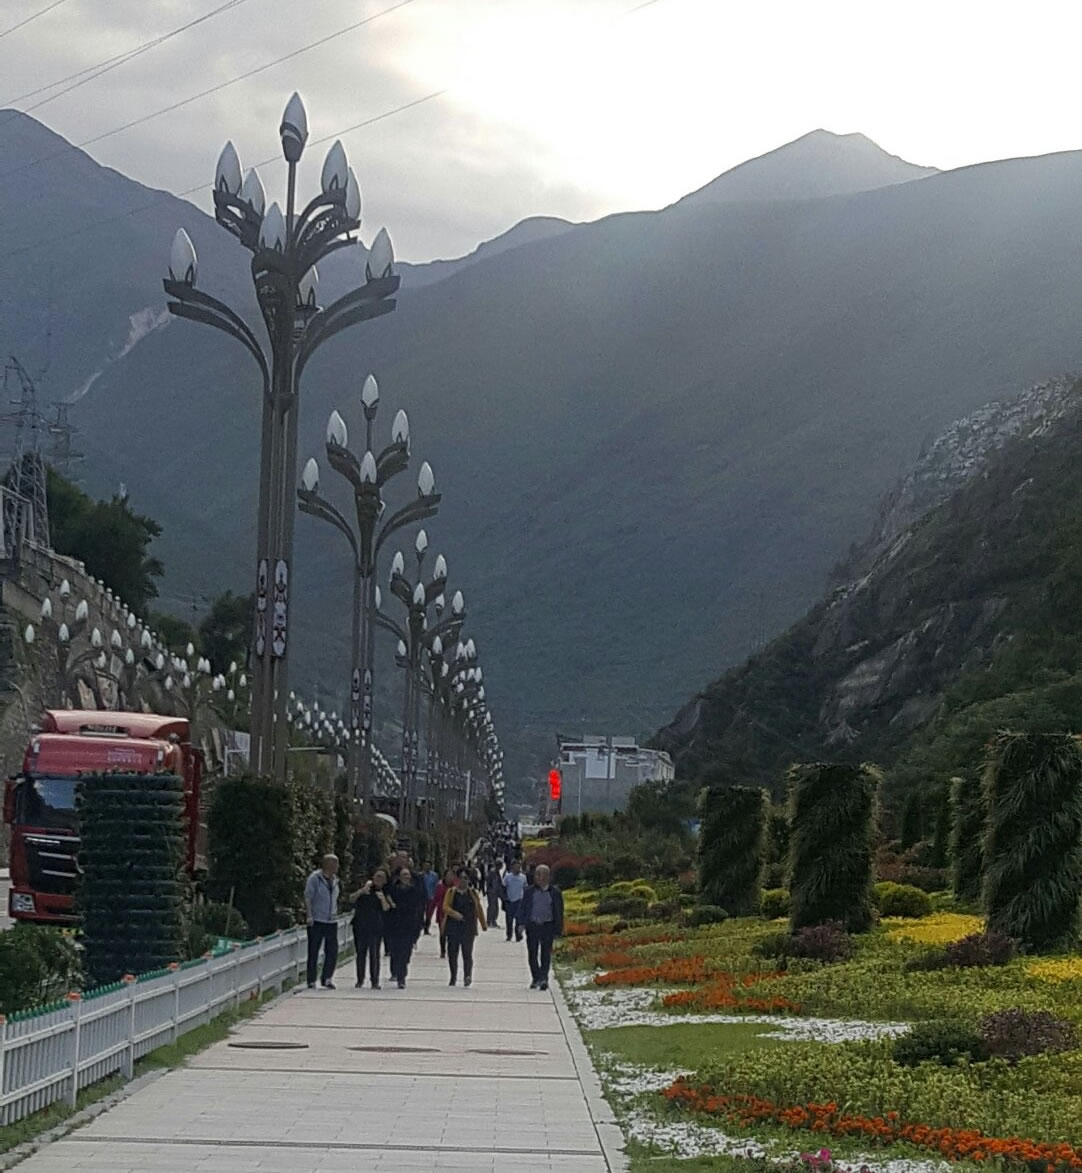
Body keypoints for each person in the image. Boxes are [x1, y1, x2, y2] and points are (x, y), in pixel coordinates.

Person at [521, 863, 564, 991]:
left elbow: (559, 911)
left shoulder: (555, 892)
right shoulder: (529, 891)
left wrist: (559, 928)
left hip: (547, 926)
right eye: (537, 874)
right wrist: (521, 923)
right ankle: (536, 978)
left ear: (548, 877)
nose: (539, 877)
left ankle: (544, 978)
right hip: (533, 926)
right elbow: (523, 908)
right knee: (532, 953)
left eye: (543, 875)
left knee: (546, 954)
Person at [442, 867, 487, 986]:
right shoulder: (451, 892)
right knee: (452, 953)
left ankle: (467, 976)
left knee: (467, 953)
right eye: (460, 878)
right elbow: (445, 907)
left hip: (468, 927)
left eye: (465, 878)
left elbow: (478, 908)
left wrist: (483, 924)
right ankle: (453, 976)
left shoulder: (472, 893)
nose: (463, 880)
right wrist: (454, 914)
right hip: (453, 927)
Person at [350, 867, 392, 989]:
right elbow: (351, 899)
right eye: (377, 876)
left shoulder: (384, 892)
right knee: (360, 953)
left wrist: (382, 899)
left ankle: (375, 981)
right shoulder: (365, 888)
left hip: (375, 927)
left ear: (385, 881)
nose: (379, 879)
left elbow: (387, 908)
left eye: (382, 877)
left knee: (374, 954)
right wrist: (361, 891)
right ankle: (360, 979)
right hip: (360, 925)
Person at [304, 853, 340, 990]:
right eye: (335, 863)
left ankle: (327, 978)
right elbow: (308, 897)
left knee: (332, 950)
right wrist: (309, 915)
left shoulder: (335, 880)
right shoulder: (315, 878)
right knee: (314, 950)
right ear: (327, 864)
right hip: (317, 919)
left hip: (331, 920)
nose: (337, 866)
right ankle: (311, 979)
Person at [385, 866, 423, 988]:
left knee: (405, 953)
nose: (406, 877)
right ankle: (395, 973)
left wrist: (418, 928)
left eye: (408, 875)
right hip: (395, 925)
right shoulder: (393, 890)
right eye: (404, 875)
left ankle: (402, 977)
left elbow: (418, 909)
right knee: (395, 951)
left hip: (409, 925)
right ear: (399, 877)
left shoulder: (414, 891)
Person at [502, 858, 527, 942]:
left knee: (519, 920)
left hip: (519, 901)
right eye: (516, 867)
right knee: (509, 920)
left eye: (519, 867)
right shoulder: (507, 877)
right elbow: (503, 888)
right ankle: (509, 935)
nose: (517, 869)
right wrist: (505, 898)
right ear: (512, 867)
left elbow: (525, 888)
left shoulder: (523, 877)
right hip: (510, 901)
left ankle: (518, 935)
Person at [433, 867, 455, 959]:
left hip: (452, 912)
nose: (449, 877)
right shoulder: (440, 886)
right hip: (442, 912)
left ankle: (451, 950)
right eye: (448, 875)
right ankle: (443, 950)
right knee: (442, 933)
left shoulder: (455, 887)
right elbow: (435, 899)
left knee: (451, 934)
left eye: (451, 875)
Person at [422, 863, 440, 934]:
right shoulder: (421, 875)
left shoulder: (434, 876)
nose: (427, 867)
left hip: (431, 897)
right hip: (422, 897)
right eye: (425, 865)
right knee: (420, 912)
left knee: (429, 913)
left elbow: (436, 886)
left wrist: (436, 896)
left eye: (428, 866)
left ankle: (426, 928)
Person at [485, 861, 503, 929]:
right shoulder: (492, 872)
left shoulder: (497, 872)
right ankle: (489, 921)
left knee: (496, 907)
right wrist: (489, 890)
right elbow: (488, 882)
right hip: (491, 892)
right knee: (492, 907)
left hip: (495, 892)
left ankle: (493, 920)